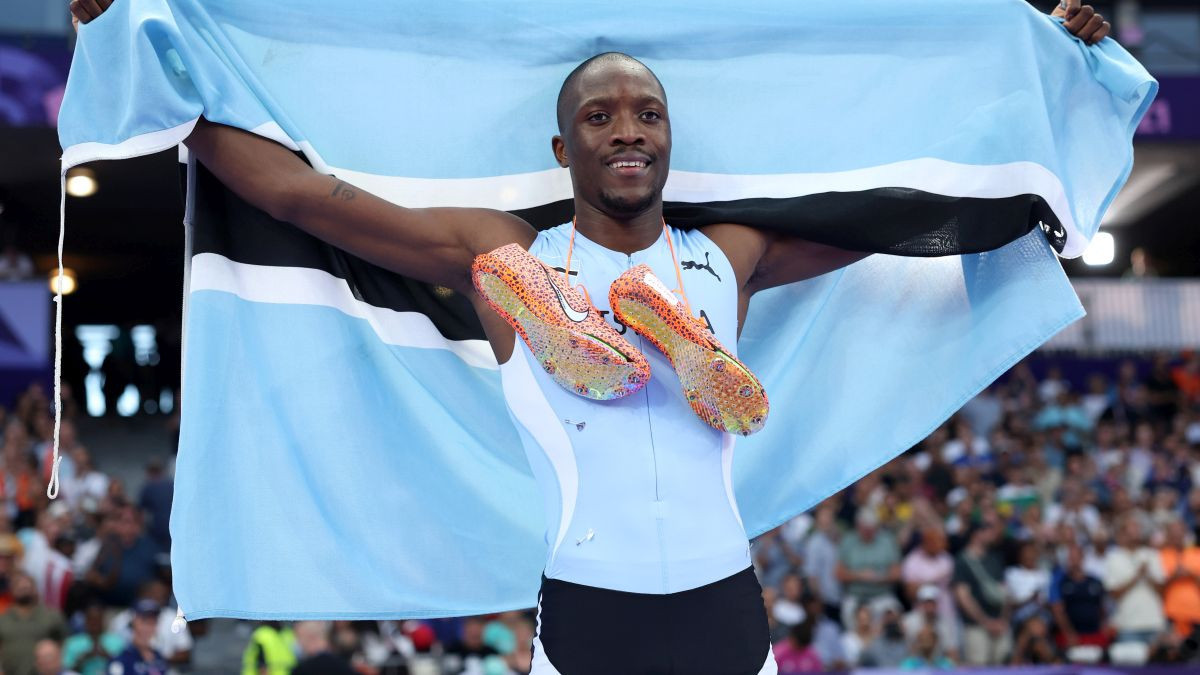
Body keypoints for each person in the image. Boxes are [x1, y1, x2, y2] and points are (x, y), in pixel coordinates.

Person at [69, 1, 1114, 671]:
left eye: (648, 115)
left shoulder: (732, 252)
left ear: (670, 140)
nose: (629, 130)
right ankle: (569, 322)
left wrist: (1051, 87)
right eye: (605, 116)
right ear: (562, 145)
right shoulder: (494, 247)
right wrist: (154, 68)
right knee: (505, 268)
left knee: (796, 257)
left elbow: (905, 206)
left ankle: (694, 361)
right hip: (586, 616)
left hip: (723, 616)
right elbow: (310, 199)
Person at [954, 522, 1011, 665]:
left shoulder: (995, 558)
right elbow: (963, 597)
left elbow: (1004, 592)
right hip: (976, 627)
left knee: (1003, 665)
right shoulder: (962, 561)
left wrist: (1003, 620)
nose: (992, 534)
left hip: (1000, 624)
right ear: (976, 534)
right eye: (988, 530)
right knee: (978, 667)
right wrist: (985, 622)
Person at [1104, 516, 1166, 645]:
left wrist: (1147, 575)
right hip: (1128, 625)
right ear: (1122, 534)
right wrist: (1137, 576)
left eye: (1138, 529)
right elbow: (1114, 594)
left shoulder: (1151, 554)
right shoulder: (1113, 557)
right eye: (1132, 529)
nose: (1136, 532)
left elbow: (1162, 590)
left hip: (1154, 623)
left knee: (1160, 665)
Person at [836, 510, 900, 627]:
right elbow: (838, 573)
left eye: (872, 529)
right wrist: (859, 575)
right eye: (865, 529)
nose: (869, 533)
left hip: (882, 595)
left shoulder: (887, 541)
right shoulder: (848, 541)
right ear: (858, 526)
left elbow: (897, 573)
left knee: (894, 615)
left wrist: (879, 578)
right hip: (855, 596)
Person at [0, 571, 67, 675]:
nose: (23, 589)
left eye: (26, 587)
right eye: (19, 587)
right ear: (11, 590)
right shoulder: (2, 619)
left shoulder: (51, 616)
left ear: (35, 589)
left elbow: (62, 644)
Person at [1160, 517, 1200, 638]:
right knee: (1174, 654)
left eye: (1179, 531)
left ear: (1185, 533)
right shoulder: (1161, 555)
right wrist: (1173, 577)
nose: (1177, 535)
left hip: (1195, 613)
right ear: (1168, 535)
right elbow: (1157, 587)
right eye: (1173, 532)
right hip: (1171, 614)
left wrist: (1191, 574)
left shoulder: (1197, 553)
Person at [61, 603, 125, 675]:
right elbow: (66, 671)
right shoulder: (72, 643)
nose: (94, 624)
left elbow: (124, 667)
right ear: (85, 621)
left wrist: (108, 656)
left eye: (97, 620)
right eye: (91, 620)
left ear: (103, 620)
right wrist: (82, 659)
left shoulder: (116, 641)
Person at [108, 600, 168, 675]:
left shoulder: (159, 657)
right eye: (144, 621)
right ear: (133, 622)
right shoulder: (122, 658)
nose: (148, 627)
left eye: (153, 622)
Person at [292, 621, 356, 675]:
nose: (298, 642)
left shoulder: (302, 670)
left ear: (311, 637)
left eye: (299, 637)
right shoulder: (343, 664)